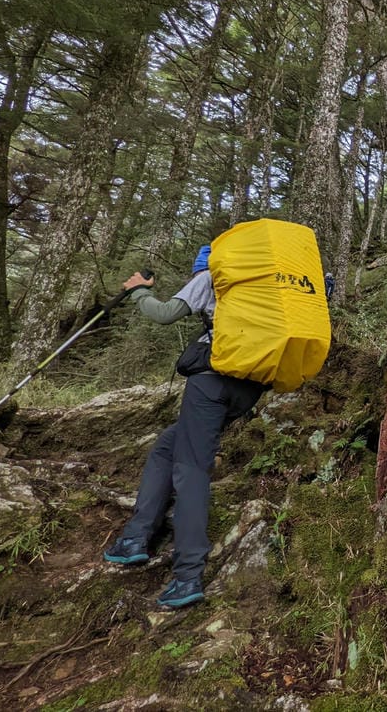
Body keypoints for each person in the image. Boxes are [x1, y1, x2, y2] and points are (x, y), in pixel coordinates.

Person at [102, 245, 265, 609]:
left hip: (212, 382)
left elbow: (164, 314)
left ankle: (187, 574)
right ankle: (136, 538)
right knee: (167, 445)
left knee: (191, 467)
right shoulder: (263, 291)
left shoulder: (212, 278)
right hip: (251, 386)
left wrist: (138, 290)